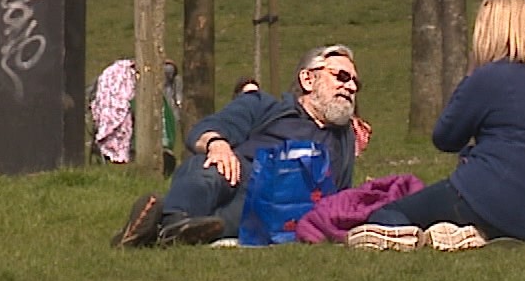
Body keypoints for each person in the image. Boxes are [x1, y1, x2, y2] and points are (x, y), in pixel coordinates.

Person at [347, 0, 525, 250]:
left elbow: (445, 138)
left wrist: (471, 75)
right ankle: (467, 235)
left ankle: (439, 237)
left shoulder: (490, 76)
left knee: (387, 215)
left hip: (483, 197)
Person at [113, 45, 361, 247]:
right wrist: (218, 144)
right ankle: (173, 223)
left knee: (229, 216)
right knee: (208, 166)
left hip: (276, 206)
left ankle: (156, 230)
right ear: (308, 79)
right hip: (238, 175)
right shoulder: (265, 107)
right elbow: (206, 129)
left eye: (355, 84)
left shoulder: (343, 139)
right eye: (341, 77)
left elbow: (341, 197)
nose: (350, 87)